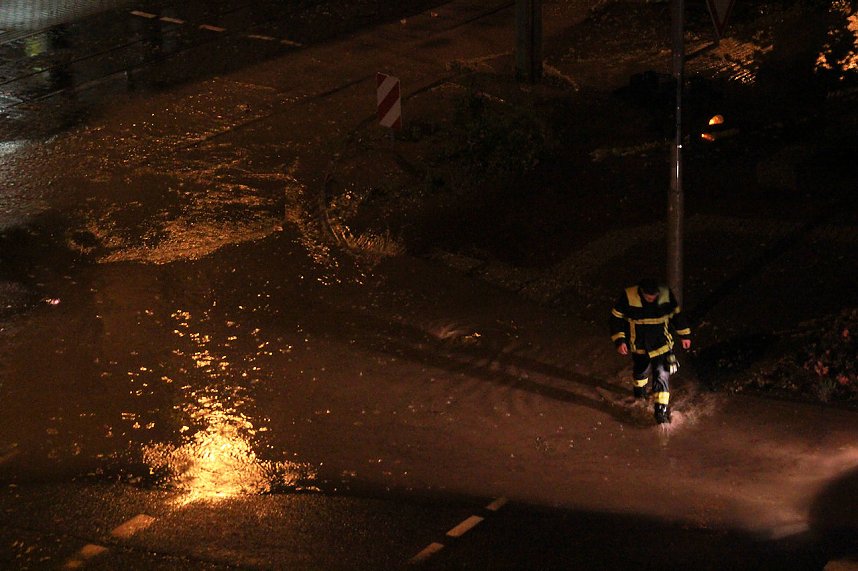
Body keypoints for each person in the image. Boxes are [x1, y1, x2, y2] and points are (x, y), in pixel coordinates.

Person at [610, 279, 691, 424]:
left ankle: (661, 411)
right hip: (639, 345)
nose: (652, 299)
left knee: (662, 374)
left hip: (662, 344)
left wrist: (684, 335)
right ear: (641, 292)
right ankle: (639, 393)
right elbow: (616, 319)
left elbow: (676, 315)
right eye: (649, 297)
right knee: (641, 372)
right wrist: (620, 340)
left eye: (654, 296)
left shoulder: (665, 294)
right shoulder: (628, 296)